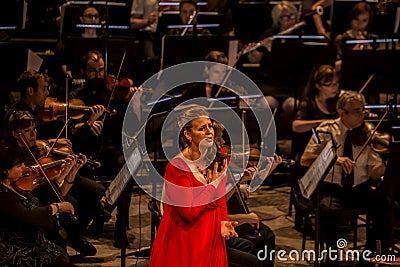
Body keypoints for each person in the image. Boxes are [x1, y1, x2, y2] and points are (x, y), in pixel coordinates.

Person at [300, 91, 390, 261]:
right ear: (342, 113)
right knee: (327, 211)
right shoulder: (326, 130)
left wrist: (387, 162)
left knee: (383, 205)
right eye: (357, 110)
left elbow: (373, 172)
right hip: (332, 188)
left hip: (359, 189)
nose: (362, 114)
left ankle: (371, 254)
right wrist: (335, 159)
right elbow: (305, 159)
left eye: (363, 110)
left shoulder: (368, 132)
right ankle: (331, 254)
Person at [3, 110, 103, 256]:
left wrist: (69, 170)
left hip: (42, 188)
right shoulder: (9, 154)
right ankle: (67, 238)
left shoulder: (34, 148)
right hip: (25, 201)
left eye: (34, 129)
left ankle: (72, 237)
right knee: (71, 202)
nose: (33, 135)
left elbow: (49, 186)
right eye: (27, 131)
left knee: (87, 195)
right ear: (14, 134)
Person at [149, 105, 238, 266]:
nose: (209, 131)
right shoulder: (177, 167)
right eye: (202, 128)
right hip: (185, 238)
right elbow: (189, 211)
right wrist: (213, 185)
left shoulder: (215, 159)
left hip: (211, 234)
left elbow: (220, 199)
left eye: (210, 126)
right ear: (188, 134)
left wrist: (223, 221)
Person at [0, 145, 74, 267]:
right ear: (5, 172)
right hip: (17, 248)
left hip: (33, 240)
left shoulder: (12, 184)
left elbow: (38, 194)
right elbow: (28, 214)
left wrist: (63, 175)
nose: (23, 168)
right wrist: (57, 207)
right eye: (18, 166)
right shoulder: (3, 195)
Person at [334, 2, 378, 68]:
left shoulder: (372, 38)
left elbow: (380, 64)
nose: (359, 24)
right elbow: (334, 66)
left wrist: (371, 53)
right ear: (351, 19)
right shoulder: (342, 39)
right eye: (357, 19)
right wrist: (352, 55)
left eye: (364, 20)